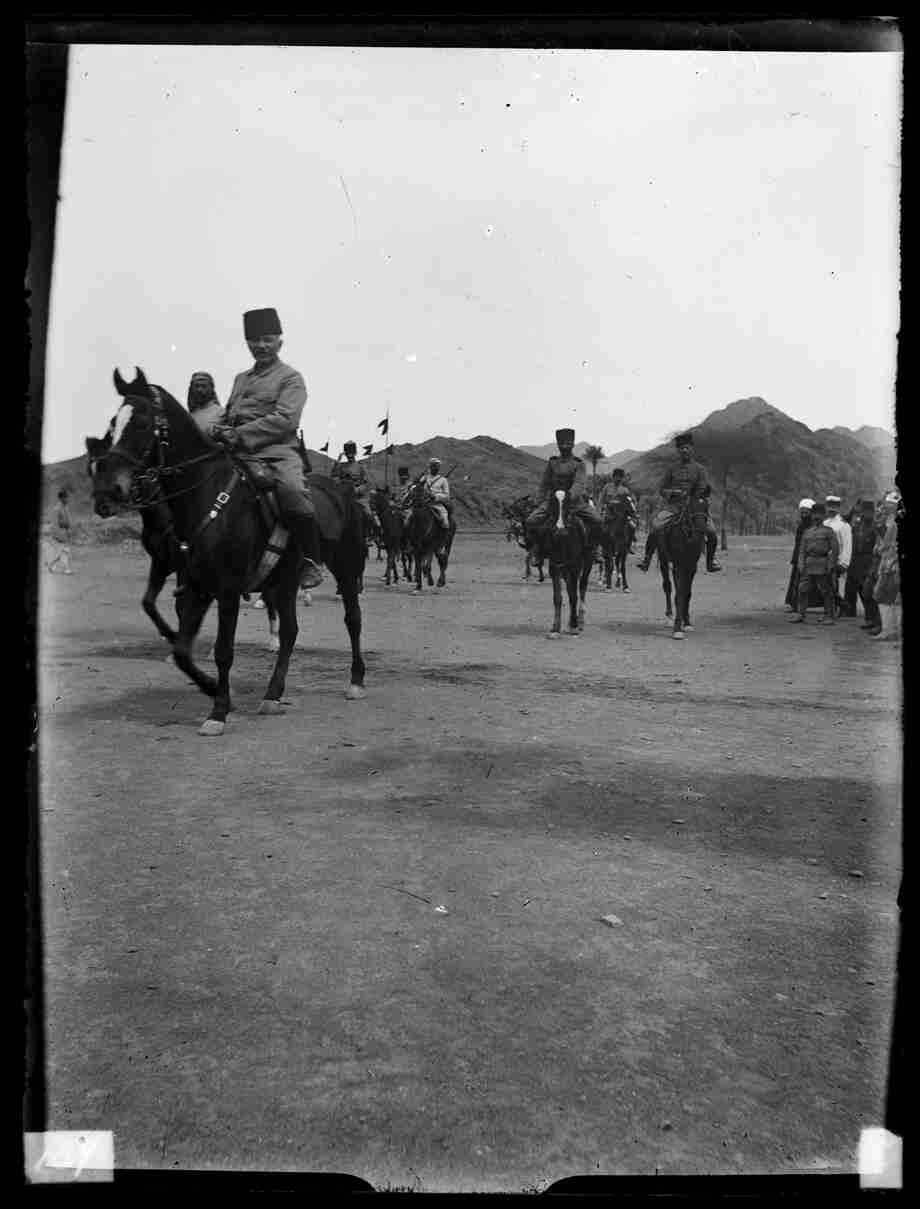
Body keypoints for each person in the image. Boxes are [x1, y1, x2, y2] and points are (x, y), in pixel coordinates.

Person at [211, 307, 324, 589]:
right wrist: (218, 428)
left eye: (267, 339)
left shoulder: (290, 378)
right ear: (247, 343)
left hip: (276, 451)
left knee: (293, 490)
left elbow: (286, 420)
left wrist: (239, 434)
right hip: (235, 451)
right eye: (254, 340)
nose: (260, 345)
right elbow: (230, 412)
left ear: (279, 342)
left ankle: (311, 560)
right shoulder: (240, 379)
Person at [636, 431, 721, 572]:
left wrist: (692, 496)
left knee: (711, 532)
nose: (684, 450)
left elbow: (702, 487)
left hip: (695, 507)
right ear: (678, 451)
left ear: (692, 449)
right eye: (681, 448)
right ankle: (647, 559)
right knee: (656, 526)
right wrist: (673, 493)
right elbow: (662, 489)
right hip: (673, 507)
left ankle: (711, 561)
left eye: (687, 447)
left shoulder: (700, 469)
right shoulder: (671, 469)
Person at [524, 429, 601, 544]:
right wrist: (539, 501)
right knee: (531, 521)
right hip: (552, 502)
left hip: (574, 503)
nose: (564, 446)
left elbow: (579, 483)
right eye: (561, 443)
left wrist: (569, 496)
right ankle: (537, 551)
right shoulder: (552, 463)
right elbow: (544, 484)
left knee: (598, 520)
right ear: (558, 445)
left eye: (568, 443)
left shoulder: (578, 464)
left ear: (572, 445)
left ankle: (593, 550)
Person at [790, 500, 838, 624]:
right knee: (802, 589)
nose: (816, 517)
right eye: (815, 514)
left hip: (823, 563)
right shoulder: (807, 532)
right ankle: (800, 614)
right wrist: (801, 564)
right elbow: (801, 550)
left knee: (826, 591)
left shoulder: (829, 531)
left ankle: (829, 615)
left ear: (823, 516)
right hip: (808, 563)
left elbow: (835, 550)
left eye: (819, 515)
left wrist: (831, 564)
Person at [869, 491, 902, 642]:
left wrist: (880, 548)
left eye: (890, 503)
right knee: (891, 598)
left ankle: (889, 631)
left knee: (884, 596)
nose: (887, 506)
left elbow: (886, 544)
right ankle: (893, 631)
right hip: (889, 564)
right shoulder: (890, 520)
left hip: (892, 565)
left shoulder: (894, 523)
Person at [848, 500, 882, 631]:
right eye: (863, 512)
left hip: (871, 561)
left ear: (872, 513)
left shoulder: (876, 527)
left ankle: (876, 621)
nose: (865, 514)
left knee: (871, 592)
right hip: (857, 561)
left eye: (868, 512)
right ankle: (869, 619)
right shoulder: (857, 526)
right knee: (863, 592)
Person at [332, 441, 378, 533]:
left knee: (368, 514)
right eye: (348, 453)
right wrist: (337, 460)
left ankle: (372, 535)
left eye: (351, 453)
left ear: (355, 453)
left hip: (358, 498)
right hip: (344, 497)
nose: (350, 456)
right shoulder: (341, 466)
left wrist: (357, 490)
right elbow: (334, 476)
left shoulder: (361, 467)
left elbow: (365, 483)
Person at [595, 468, 638, 552]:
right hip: (609, 514)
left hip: (622, 515)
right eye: (617, 476)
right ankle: (597, 550)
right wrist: (598, 511)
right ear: (613, 477)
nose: (619, 479)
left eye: (621, 477)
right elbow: (601, 500)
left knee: (632, 526)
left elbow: (631, 502)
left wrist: (632, 512)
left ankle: (628, 545)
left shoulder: (625, 490)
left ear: (623, 478)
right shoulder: (607, 487)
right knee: (598, 528)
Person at [823, 494, 852, 617]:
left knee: (838, 587)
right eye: (829, 506)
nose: (831, 509)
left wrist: (844, 563)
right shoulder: (824, 522)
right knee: (826, 587)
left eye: (834, 507)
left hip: (838, 561)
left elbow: (847, 545)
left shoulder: (844, 525)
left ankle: (840, 609)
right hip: (824, 560)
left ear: (838, 508)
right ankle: (830, 610)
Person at [785, 499, 814, 610]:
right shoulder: (801, 525)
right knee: (796, 581)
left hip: (807, 557)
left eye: (806, 512)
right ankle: (795, 603)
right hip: (798, 557)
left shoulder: (811, 526)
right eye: (802, 512)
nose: (803, 515)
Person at [418, 457, 452, 532]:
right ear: (430, 467)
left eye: (437, 466)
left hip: (437, 505)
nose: (435, 468)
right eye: (433, 466)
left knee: (445, 520)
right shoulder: (424, 478)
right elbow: (418, 489)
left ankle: (443, 539)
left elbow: (447, 496)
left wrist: (435, 496)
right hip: (423, 503)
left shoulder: (443, 480)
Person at [46, 487, 74, 574]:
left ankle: (50, 564)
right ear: (61, 498)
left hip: (64, 533)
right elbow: (55, 525)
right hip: (59, 534)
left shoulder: (65, 508)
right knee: (64, 551)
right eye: (66, 497)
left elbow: (68, 521)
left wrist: (69, 530)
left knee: (61, 552)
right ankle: (66, 569)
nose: (68, 499)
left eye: (68, 497)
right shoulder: (57, 509)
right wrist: (59, 536)